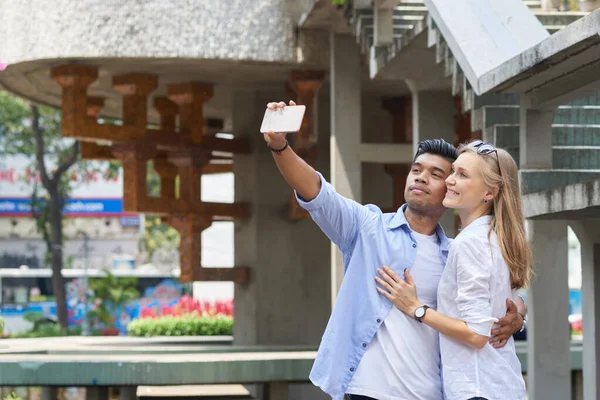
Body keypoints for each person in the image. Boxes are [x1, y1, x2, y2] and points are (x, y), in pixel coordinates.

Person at [263, 101, 526, 400]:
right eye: (416, 169)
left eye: (437, 174)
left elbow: (502, 298)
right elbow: (317, 191)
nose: (421, 177)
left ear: (449, 188)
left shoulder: (455, 251)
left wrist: (518, 315)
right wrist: (280, 146)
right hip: (369, 392)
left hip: (434, 392)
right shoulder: (367, 228)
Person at [377, 140, 531, 400]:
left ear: (489, 193)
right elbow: (510, 303)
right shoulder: (495, 235)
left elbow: (476, 333)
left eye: (462, 175)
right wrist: (519, 316)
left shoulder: (470, 243)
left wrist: (416, 308)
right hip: (498, 386)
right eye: (453, 172)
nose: (450, 180)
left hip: (477, 389)